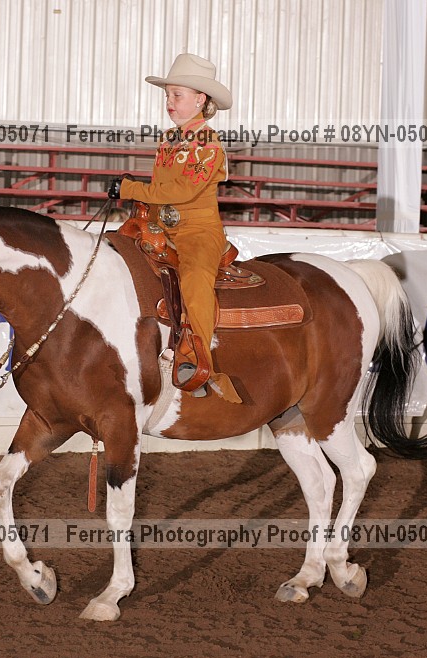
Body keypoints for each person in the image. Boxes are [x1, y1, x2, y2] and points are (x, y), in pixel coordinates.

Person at [108, 53, 239, 403]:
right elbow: (161, 189)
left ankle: (199, 359)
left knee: (195, 278)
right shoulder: (169, 139)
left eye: (177, 95)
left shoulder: (208, 143)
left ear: (200, 99)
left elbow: (181, 191)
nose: (169, 101)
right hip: (162, 225)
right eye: (168, 95)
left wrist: (130, 189)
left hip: (198, 230)